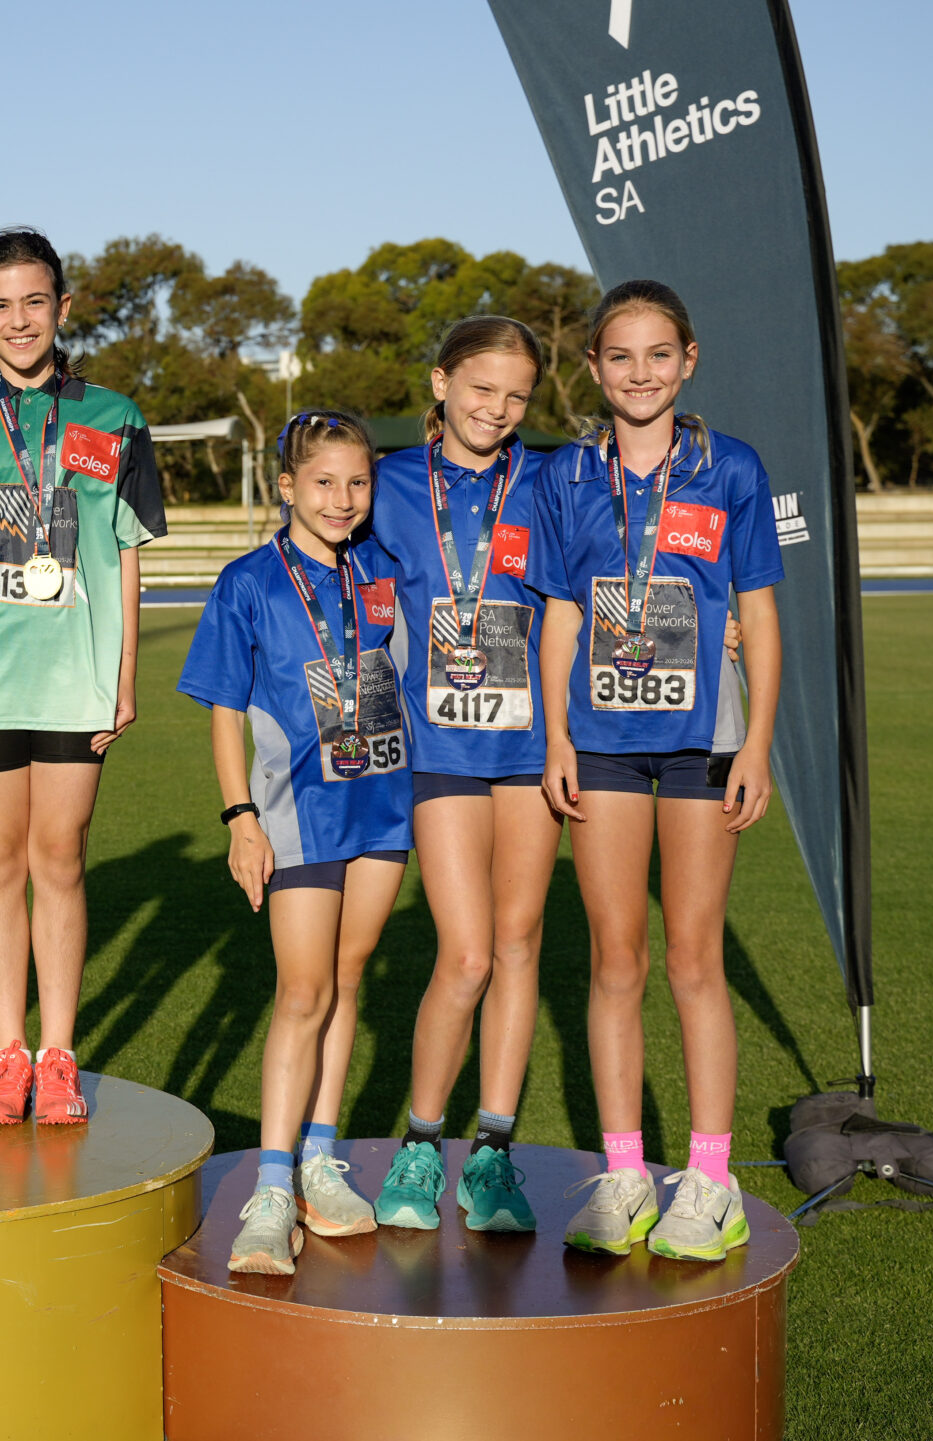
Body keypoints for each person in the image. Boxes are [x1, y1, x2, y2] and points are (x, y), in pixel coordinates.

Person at [529, 279, 784, 1262]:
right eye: (620, 356)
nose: (640, 373)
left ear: (689, 360)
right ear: (594, 368)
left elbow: (758, 613)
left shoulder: (732, 468)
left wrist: (757, 743)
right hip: (598, 742)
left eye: (658, 354)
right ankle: (627, 1171)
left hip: (702, 741)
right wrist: (556, 736)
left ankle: (710, 1182)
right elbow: (559, 611)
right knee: (614, 959)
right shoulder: (565, 474)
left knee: (692, 959)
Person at [0, 228, 167, 1125]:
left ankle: (58, 1056)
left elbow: (127, 553)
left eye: (35, 302)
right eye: (1, 305)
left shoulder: (116, 416)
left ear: (63, 306)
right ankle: (7, 1054)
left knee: (60, 855)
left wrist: (123, 673)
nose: (20, 321)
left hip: (73, 677)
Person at [180, 411, 412, 1272]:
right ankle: (272, 1188)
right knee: (303, 990)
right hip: (296, 812)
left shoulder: (382, 568)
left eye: (357, 482)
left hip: (383, 805)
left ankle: (320, 1157)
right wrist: (240, 817)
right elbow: (223, 712)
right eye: (322, 482)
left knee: (347, 980)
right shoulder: (248, 581)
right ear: (286, 486)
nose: (342, 499)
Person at [364, 317, 560, 1234]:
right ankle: (419, 1141)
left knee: (518, 945)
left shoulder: (551, 478)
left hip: (534, 746)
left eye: (518, 395)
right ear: (441, 383)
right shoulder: (389, 481)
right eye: (482, 387)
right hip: (439, 745)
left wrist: (724, 621)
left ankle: (493, 1154)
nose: (499, 408)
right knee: (469, 952)